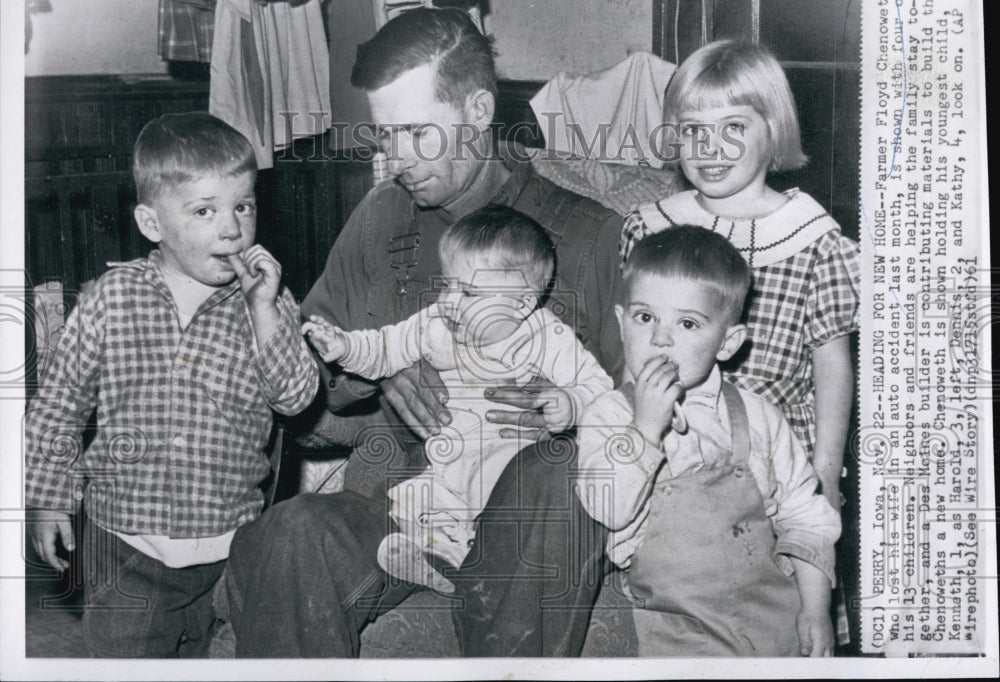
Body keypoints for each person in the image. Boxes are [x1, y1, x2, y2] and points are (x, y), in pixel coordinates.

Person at [224, 7, 624, 657]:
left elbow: (642, 414)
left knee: (558, 468)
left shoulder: (587, 233)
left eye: (416, 134)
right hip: (402, 508)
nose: (397, 160)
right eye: (386, 137)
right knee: (290, 532)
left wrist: (564, 412)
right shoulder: (382, 217)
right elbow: (309, 391)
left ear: (477, 111)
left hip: (521, 528)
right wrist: (377, 376)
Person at [24, 112, 319, 658]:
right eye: (204, 211)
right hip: (124, 543)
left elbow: (297, 397)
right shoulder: (111, 298)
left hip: (231, 544)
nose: (231, 228)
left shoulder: (269, 303)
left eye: (242, 206)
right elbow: (60, 403)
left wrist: (264, 315)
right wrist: (46, 497)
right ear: (152, 223)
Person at [302, 204, 614, 591]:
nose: (449, 301)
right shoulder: (437, 324)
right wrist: (344, 347)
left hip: (506, 465)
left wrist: (569, 402)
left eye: (468, 292)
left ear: (521, 304)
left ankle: (460, 558)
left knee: (490, 497)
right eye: (448, 283)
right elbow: (384, 349)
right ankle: (433, 558)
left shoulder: (547, 337)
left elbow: (598, 387)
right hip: (446, 456)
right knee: (416, 501)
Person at [577, 226, 842, 656]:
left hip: (775, 624)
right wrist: (644, 431)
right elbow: (608, 510)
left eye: (687, 323)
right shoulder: (610, 415)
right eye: (645, 318)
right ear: (622, 324)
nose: (661, 338)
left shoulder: (758, 417)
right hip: (677, 635)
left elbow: (806, 516)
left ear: (727, 342)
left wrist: (816, 609)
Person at [620, 40, 860, 512]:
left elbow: (831, 367)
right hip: (672, 433)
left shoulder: (813, 239)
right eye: (693, 130)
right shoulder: (649, 226)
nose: (711, 148)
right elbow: (629, 346)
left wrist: (826, 472)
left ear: (772, 131)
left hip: (775, 457)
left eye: (733, 127)